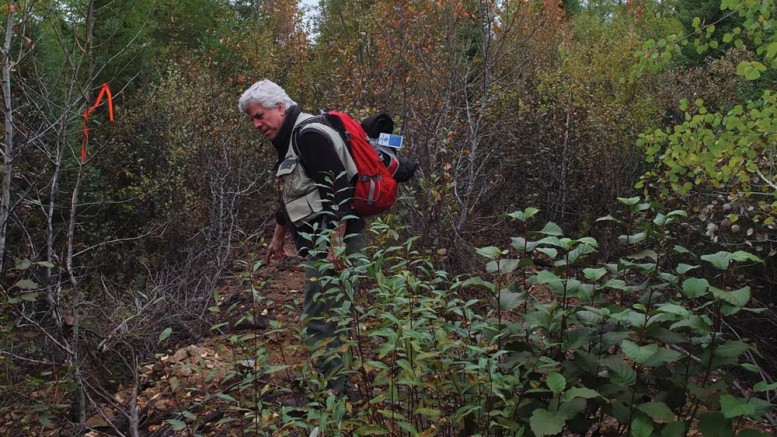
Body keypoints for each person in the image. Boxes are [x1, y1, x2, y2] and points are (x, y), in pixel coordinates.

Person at [238, 79, 365, 396]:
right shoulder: (289, 137)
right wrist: (278, 236)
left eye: (259, 116)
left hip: (336, 240)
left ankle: (333, 395)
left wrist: (335, 245)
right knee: (330, 314)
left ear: (279, 107)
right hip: (329, 241)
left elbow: (340, 190)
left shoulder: (308, 134)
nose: (256, 124)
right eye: (252, 118)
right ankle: (339, 386)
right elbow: (294, 189)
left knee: (319, 318)